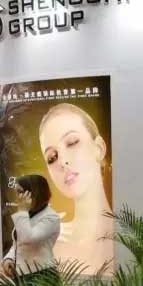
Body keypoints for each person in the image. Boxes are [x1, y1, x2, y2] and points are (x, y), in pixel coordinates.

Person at [39, 103, 113, 274]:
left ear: (99, 148)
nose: (62, 161)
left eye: (72, 143)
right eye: (52, 157)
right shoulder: (44, 247)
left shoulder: (140, 237)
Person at [1, 175, 60, 277]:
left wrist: (22, 211)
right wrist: (9, 259)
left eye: (20, 192)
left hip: (41, 276)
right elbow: (18, 244)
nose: (17, 197)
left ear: (34, 193)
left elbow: (27, 239)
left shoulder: (51, 217)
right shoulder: (28, 214)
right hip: (22, 275)